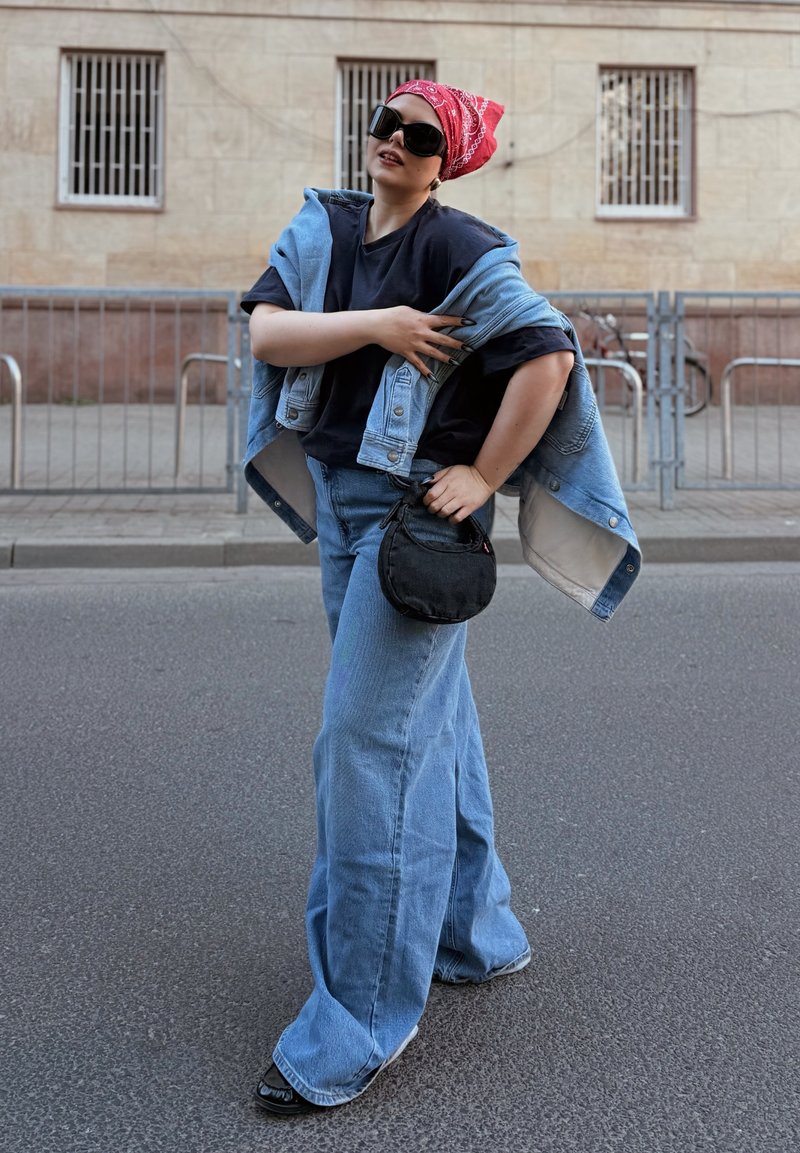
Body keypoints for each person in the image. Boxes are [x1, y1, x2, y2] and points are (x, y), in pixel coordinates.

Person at [241, 79, 640, 1116]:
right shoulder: (325, 226)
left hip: (406, 523)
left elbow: (546, 356)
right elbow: (267, 337)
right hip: (340, 505)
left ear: (444, 158)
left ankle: (363, 1019)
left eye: (418, 135)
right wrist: (378, 324)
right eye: (384, 121)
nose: (392, 140)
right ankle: (473, 931)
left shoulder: (460, 248)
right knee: (433, 726)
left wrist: (483, 479)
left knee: (363, 749)